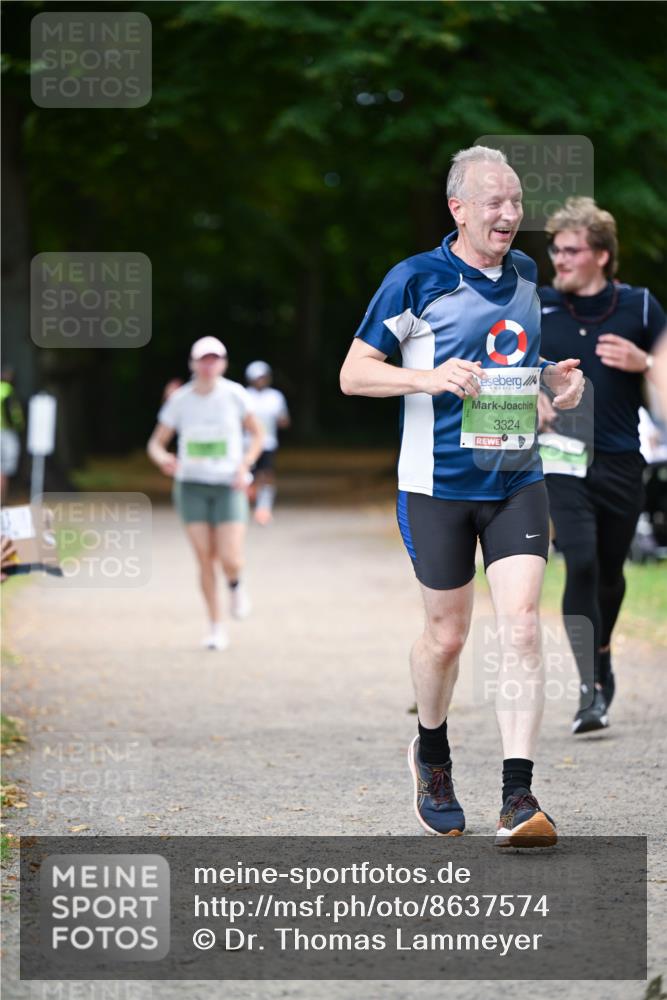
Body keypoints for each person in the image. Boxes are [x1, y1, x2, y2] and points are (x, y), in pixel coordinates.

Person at [340, 145, 584, 847]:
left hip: (515, 479)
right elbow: (355, 375)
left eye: (514, 202)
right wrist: (428, 378)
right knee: (447, 638)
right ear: (458, 209)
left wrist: (550, 385)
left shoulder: (526, 274)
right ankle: (432, 753)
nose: (508, 215)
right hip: (436, 485)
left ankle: (517, 794)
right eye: (492, 203)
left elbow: (509, 366)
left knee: (520, 626)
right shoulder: (415, 280)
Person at [538, 197, 666, 734]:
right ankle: (590, 688)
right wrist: (533, 397)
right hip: (561, 458)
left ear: (602, 256)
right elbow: (503, 368)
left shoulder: (640, 308)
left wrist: (648, 362)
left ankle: (604, 653)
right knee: (582, 562)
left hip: (621, 460)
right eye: (555, 249)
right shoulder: (536, 306)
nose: (559, 260)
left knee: (611, 575)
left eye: (571, 250)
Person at [147, 337, 264, 650]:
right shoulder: (180, 400)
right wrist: (164, 459)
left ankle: (236, 583)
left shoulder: (235, 395)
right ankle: (215, 627)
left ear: (224, 363)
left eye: (215, 359)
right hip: (191, 486)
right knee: (204, 558)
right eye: (203, 359)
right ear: (193, 363)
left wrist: (246, 464)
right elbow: (156, 444)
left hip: (229, 485)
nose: (209, 365)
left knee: (230, 556)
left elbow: (258, 436)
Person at [244, 361, 290, 525]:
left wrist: (280, 421)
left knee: (266, 475)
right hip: (247, 443)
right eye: (257, 378)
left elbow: (284, 420)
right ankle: (245, 504)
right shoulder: (244, 395)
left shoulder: (275, 397)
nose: (260, 381)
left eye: (263, 377)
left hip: (268, 443)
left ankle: (263, 508)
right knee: (248, 476)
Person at [0, 366, 25, 502]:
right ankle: (2, 500)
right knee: (4, 470)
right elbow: (15, 415)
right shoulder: (8, 391)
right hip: (6, 433)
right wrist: (19, 426)